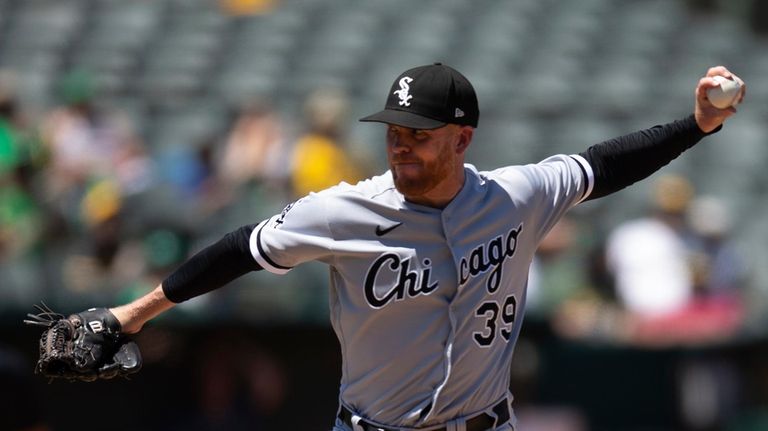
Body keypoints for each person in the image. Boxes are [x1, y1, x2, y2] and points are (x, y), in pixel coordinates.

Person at [103, 63, 744, 430]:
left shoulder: (515, 196)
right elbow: (242, 248)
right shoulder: (345, 209)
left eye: (419, 132)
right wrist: (129, 315)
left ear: (462, 139)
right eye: (394, 130)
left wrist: (697, 125)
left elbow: (605, 164)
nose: (401, 143)